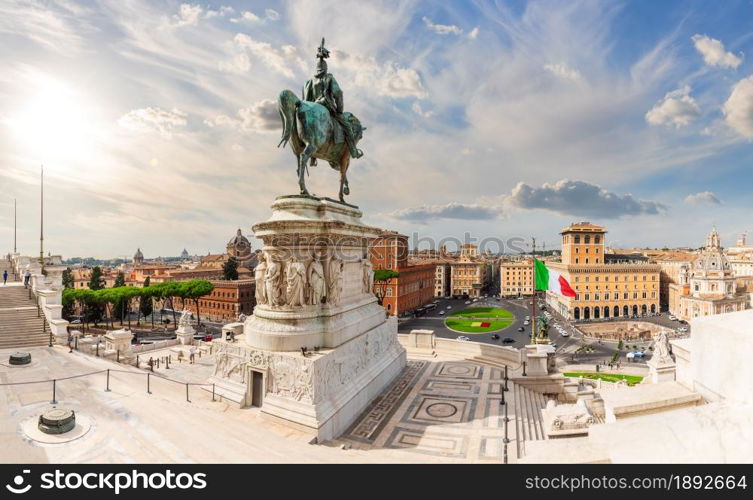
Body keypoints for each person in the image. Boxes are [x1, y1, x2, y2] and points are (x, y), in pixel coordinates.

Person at [302, 38, 363, 164]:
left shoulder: (309, 82)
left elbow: (306, 100)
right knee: (347, 126)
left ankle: (313, 158)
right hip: (326, 105)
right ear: (325, 68)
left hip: (311, 107)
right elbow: (338, 94)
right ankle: (353, 150)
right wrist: (340, 110)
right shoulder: (329, 78)